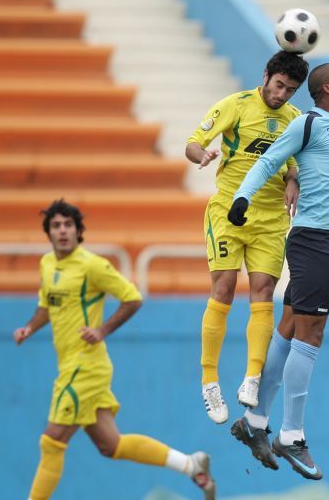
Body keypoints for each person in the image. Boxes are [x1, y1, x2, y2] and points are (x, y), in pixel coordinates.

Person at [13, 199, 216, 500]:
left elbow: (132, 297)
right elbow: (47, 305)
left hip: (85, 366)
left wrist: (102, 330)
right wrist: (30, 327)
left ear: (78, 230)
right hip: (72, 365)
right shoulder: (47, 264)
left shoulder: (91, 265)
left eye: (68, 225)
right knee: (111, 445)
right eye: (56, 226)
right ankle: (190, 464)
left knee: (52, 440)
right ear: (49, 232)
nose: (63, 230)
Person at [227, 63, 329, 481]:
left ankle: (255, 420)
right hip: (316, 241)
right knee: (310, 335)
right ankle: (292, 434)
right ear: (328, 89)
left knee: (288, 328)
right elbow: (270, 160)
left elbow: (322, 166)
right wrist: (243, 197)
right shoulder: (307, 122)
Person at [185, 51, 309, 424]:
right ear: (266, 76)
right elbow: (193, 142)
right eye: (278, 85)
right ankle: (209, 381)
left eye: (290, 90)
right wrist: (202, 155)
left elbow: (295, 160)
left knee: (263, 292)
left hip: (271, 219)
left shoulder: (294, 119)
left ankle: (252, 376)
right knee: (223, 288)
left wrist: (292, 179)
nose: (281, 95)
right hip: (229, 211)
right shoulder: (235, 105)